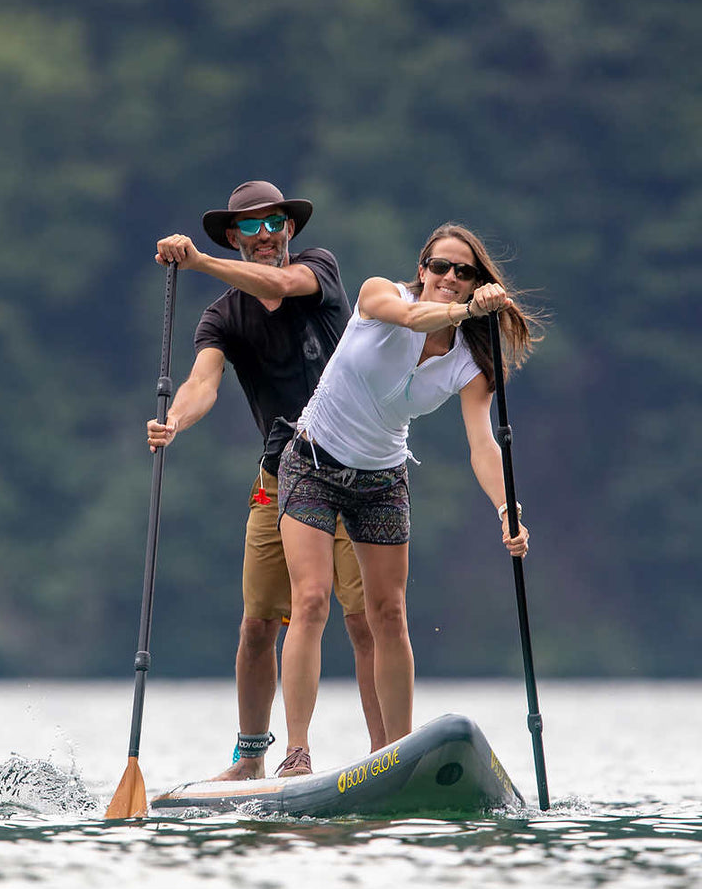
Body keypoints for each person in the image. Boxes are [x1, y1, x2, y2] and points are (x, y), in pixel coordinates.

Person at [274, 223, 539, 773]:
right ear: (422, 269)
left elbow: (483, 443)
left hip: (382, 480)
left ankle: (398, 754)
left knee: (389, 613)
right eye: (439, 266)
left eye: (463, 273)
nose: (448, 277)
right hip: (313, 462)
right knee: (313, 600)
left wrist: (505, 507)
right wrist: (469, 311)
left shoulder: (471, 360)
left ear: (474, 282)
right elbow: (417, 318)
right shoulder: (381, 296)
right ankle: (297, 752)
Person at [149, 180, 384, 781]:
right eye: (250, 227)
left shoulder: (317, 270)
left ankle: (388, 753)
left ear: (290, 230)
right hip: (280, 475)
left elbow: (279, 286)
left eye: (274, 223)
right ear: (234, 237)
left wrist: (198, 261)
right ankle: (250, 757)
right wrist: (173, 420)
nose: (265, 235)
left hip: (350, 466)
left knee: (361, 618)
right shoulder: (222, 317)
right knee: (258, 624)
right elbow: (203, 383)